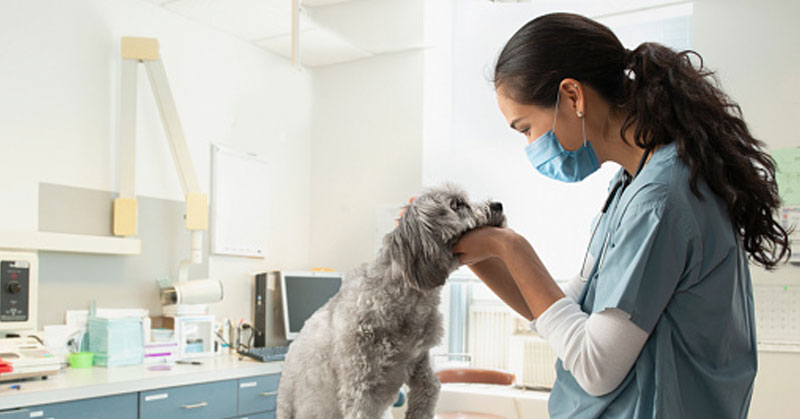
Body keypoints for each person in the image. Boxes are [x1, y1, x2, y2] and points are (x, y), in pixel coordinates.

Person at [452, 12, 790, 419]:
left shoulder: (660, 200)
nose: (529, 146)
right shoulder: (630, 185)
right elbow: (561, 309)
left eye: (526, 128)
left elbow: (596, 367)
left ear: (573, 96)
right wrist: (467, 250)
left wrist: (509, 245)